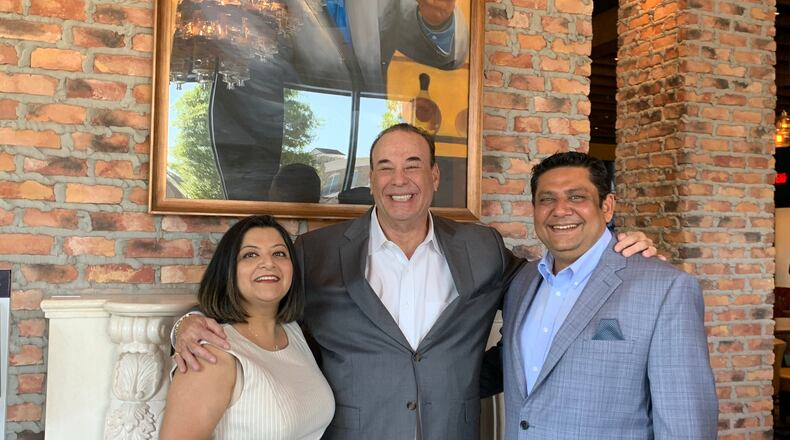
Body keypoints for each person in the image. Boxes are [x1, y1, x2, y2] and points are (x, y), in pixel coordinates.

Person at [173, 124, 657, 439]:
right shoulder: (315, 253)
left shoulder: (481, 247)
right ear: (371, 176)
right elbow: (259, 317)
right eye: (385, 166)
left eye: (411, 166)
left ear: (433, 175)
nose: (398, 179)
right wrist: (185, 325)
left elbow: (553, 288)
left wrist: (611, 250)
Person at [501, 152, 718, 439]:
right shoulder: (523, 281)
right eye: (547, 199)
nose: (560, 209)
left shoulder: (664, 288)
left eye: (577, 197)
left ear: (607, 206)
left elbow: (685, 422)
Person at [209, 0, 471, 200]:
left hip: (358, 157)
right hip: (263, 152)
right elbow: (248, 69)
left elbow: (440, 43)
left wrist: (438, 21)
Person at [160, 215, 334, 439]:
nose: (268, 263)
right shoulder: (210, 355)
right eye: (250, 254)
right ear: (228, 270)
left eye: (279, 253)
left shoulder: (296, 333)